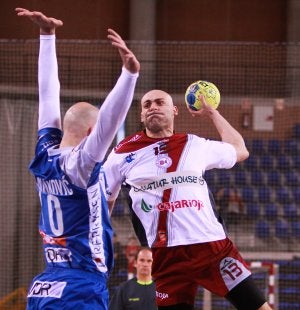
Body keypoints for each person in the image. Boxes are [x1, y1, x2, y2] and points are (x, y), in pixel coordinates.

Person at [15, 7, 140, 310]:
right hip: (81, 283)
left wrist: (47, 36)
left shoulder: (45, 155)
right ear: (89, 131)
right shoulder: (80, 165)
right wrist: (129, 75)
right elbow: (109, 123)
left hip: (47, 282)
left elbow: (47, 97)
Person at [102, 90, 272, 310]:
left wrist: (213, 113)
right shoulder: (122, 152)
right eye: (146, 105)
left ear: (174, 111)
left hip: (212, 248)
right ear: (142, 116)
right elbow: (104, 199)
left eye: (159, 102)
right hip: (166, 256)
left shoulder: (194, 144)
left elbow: (240, 150)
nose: (152, 107)